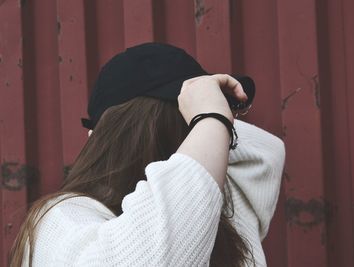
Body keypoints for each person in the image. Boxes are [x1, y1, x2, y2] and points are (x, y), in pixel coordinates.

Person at [9, 43, 285, 267]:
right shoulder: (61, 220)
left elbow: (265, 152)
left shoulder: (217, 208)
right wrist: (210, 119)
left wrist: (210, 118)